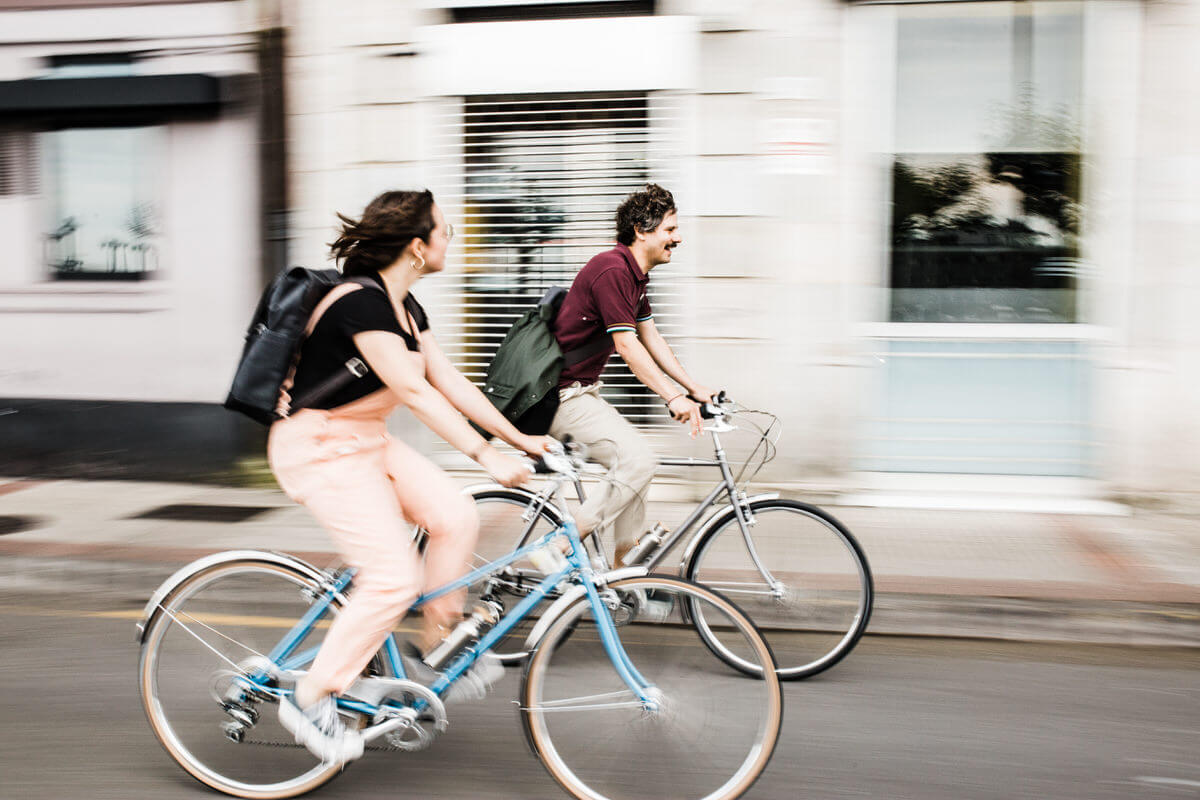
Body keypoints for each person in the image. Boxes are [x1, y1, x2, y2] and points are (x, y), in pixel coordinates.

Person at [268, 189, 554, 764]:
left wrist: (520, 440)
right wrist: (484, 455)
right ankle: (310, 696)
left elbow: (451, 382)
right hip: (318, 447)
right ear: (418, 247)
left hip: (367, 441)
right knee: (394, 576)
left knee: (455, 515)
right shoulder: (359, 304)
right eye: (445, 230)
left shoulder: (407, 309)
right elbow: (413, 389)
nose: (454, 238)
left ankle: (439, 647)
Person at [550, 183, 717, 567]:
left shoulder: (633, 274)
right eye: (670, 229)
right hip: (559, 397)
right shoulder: (612, 269)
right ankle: (561, 545)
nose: (678, 238)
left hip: (581, 393)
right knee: (638, 459)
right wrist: (672, 397)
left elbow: (651, 336)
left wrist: (693, 388)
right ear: (642, 230)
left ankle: (625, 570)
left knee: (636, 463)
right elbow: (627, 345)